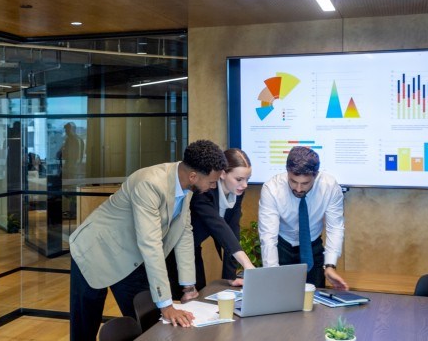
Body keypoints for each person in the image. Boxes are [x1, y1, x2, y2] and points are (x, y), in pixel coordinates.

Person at [68, 140, 227, 340]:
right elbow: (151, 244)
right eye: (212, 182)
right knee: (85, 328)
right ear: (193, 176)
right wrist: (167, 305)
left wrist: (188, 286)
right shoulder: (149, 183)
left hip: (132, 256)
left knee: (149, 322)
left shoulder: (187, 185)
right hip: (96, 251)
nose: (213, 187)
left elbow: (184, 233)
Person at [166, 147, 255, 297]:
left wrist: (231, 276)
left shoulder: (237, 192)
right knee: (182, 298)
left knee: (199, 294)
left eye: (247, 179)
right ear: (223, 174)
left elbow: (232, 230)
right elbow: (219, 227)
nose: (244, 185)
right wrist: (247, 263)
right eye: (239, 179)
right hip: (175, 249)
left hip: (194, 247)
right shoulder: (203, 190)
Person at [258, 145, 348, 290]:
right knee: (280, 297)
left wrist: (330, 265)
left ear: (316, 175)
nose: (298, 189)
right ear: (287, 172)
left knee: (315, 300)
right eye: (293, 181)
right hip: (282, 246)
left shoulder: (330, 187)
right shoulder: (272, 189)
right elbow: (268, 237)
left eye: (305, 183)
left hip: (312, 247)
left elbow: (335, 227)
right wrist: (272, 272)